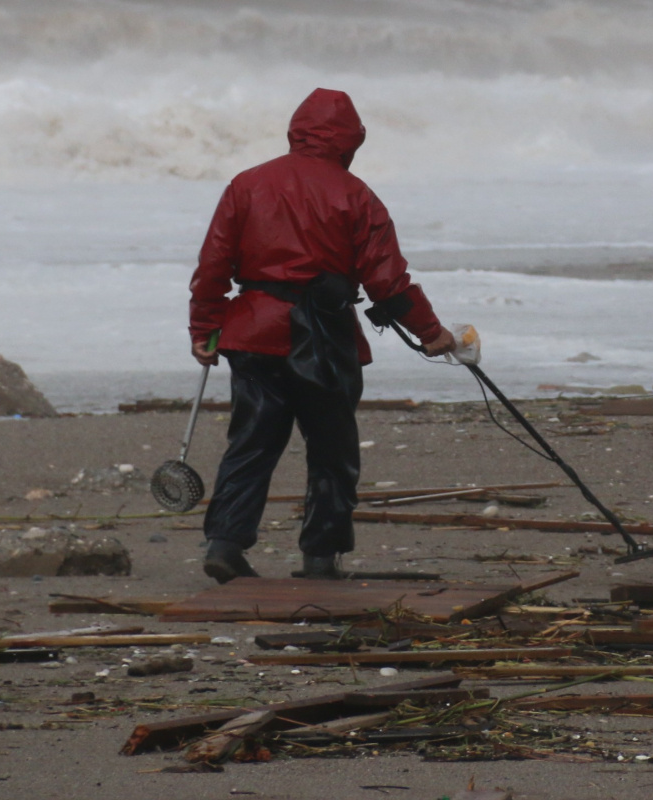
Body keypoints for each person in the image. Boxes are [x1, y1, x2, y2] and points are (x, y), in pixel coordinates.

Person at [188, 88, 455, 583]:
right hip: (326, 337)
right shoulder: (357, 196)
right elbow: (386, 281)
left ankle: (224, 544)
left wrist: (205, 328)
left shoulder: (246, 184)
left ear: (296, 131)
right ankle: (319, 557)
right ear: (351, 141)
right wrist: (431, 332)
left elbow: (213, 266)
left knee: (251, 442)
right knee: (332, 450)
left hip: (254, 330)